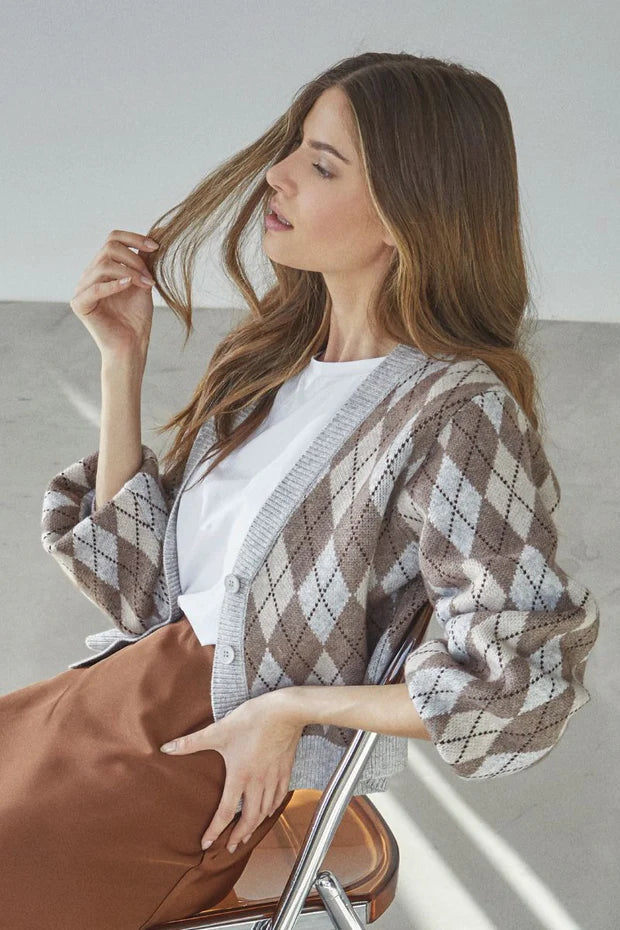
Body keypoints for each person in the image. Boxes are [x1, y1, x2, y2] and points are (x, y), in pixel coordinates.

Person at [1, 52, 600, 929]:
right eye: (294, 150)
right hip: (102, 709)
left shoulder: (455, 413)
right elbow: (147, 596)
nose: (276, 175)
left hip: (198, 770)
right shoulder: (272, 367)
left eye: (321, 165)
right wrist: (120, 362)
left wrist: (291, 709)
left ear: (408, 211)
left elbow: (521, 685)